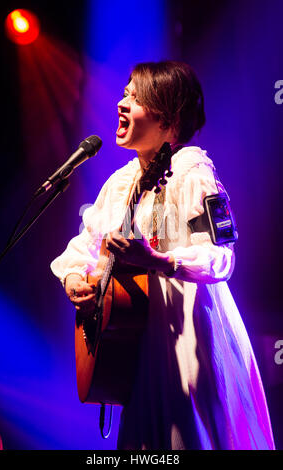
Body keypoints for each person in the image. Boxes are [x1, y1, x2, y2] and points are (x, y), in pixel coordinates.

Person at [50, 61, 275, 450]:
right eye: (124, 94)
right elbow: (79, 250)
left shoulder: (192, 170)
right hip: (138, 345)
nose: (121, 104)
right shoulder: (122, 182)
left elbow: (222, 258)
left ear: (168, 120)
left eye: (135, 99)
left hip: (187, 342)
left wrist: (159, 261)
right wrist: (73, 279)